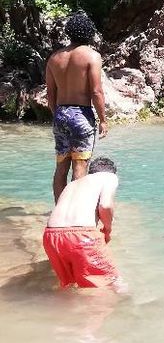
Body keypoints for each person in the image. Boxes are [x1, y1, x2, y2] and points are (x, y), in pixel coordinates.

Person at [45, 11, 108, 201]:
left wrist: (58, 115)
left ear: (69, 32)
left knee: (61, 167)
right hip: (81, 114)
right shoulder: (92, 56)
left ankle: (59, 211)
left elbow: (50, 94)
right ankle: (75, 214)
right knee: (80, 167)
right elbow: (96, 92)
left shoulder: (55, 58)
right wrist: (103, 120)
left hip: (61, 113)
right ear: (89, 33)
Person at [42, 157, 123, 290]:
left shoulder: (72, 184)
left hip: (51, 237)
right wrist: (107, 229)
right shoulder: (109, 177)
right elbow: (106, 205)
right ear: (112, 172)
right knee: (111, 285)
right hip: (82, 236)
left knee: (68, 287)